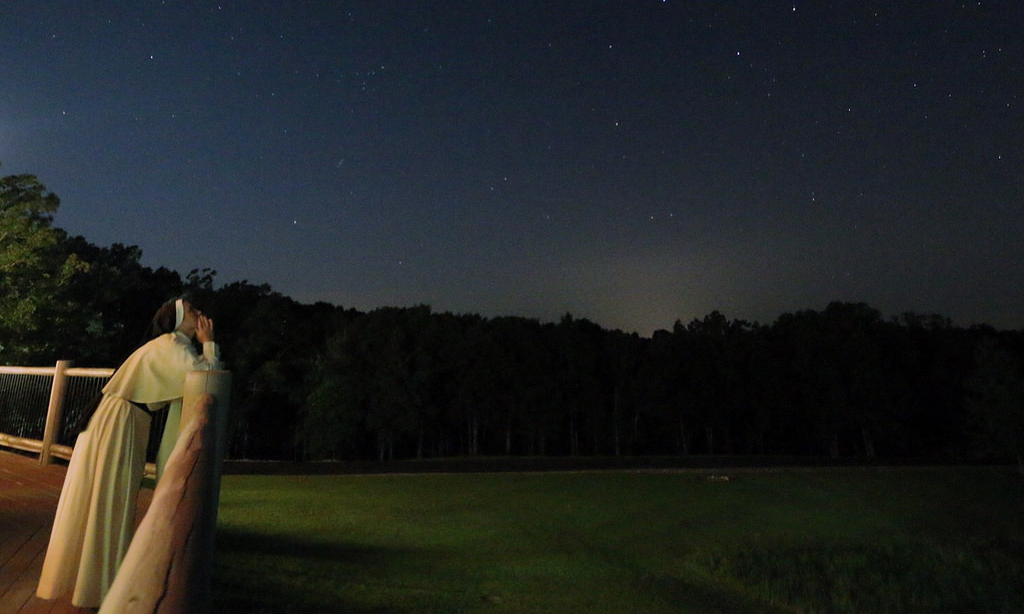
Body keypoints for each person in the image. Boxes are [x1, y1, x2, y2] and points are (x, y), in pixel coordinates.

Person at [36, 298, 221, 608]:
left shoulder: (170, 344)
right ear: (177, 321)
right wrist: (210, 344)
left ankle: (92, 586)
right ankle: (99, 588)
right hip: (119, 423)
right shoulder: (171, 344)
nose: (199, 313)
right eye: (192, 311)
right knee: (111, 498)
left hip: (120, 420)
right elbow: (205, 380)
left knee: (104, 498)